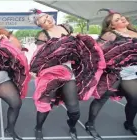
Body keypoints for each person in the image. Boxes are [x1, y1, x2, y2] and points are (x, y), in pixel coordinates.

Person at [28, 9, 105, 140]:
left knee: (74, 109)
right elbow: (40, 54)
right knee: (44, 104)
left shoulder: (66, 27)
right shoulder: (43, 34)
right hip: (51, 71)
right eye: (43, 21)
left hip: (69, 70)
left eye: (47, 17)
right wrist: (34, 69)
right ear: (40, 25)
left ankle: (72, 126)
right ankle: (38, 127)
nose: (48, 20)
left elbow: (77, 46)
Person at [85, 9, 137, 140]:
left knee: (134, 100)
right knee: (101, 99)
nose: (121, 19)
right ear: (112, 25)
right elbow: (96, 51)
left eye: (121, 17)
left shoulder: (134, 32)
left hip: (131, 73)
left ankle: (129, 124)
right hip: (115, 73)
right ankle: (90, 124)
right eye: (117, 20)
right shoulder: (111, 33)